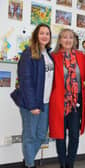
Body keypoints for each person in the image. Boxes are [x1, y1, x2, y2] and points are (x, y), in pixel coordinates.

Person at [10, 23, 54, 168]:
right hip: (32, 103)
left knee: (41, 135)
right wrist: (32, 105)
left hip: (46, 102)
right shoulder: (28, 54)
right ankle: (30, 165)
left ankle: (27, 161)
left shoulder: (49, 55)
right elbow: (26, 81)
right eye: (41, 33)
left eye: (47, 33)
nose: (44, 36)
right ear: (36, 35)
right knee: (30, 136)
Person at [49, 28, 85, 168]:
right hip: (59, 103)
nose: (68, 40)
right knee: (60, 135)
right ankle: (63, 164)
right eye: (64, 37)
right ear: (60, 40)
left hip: (76, 104)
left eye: (71, 37)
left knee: (74, 137)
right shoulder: (54, 57)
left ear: (75, 40)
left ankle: (70, 164)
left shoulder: (81, 57)